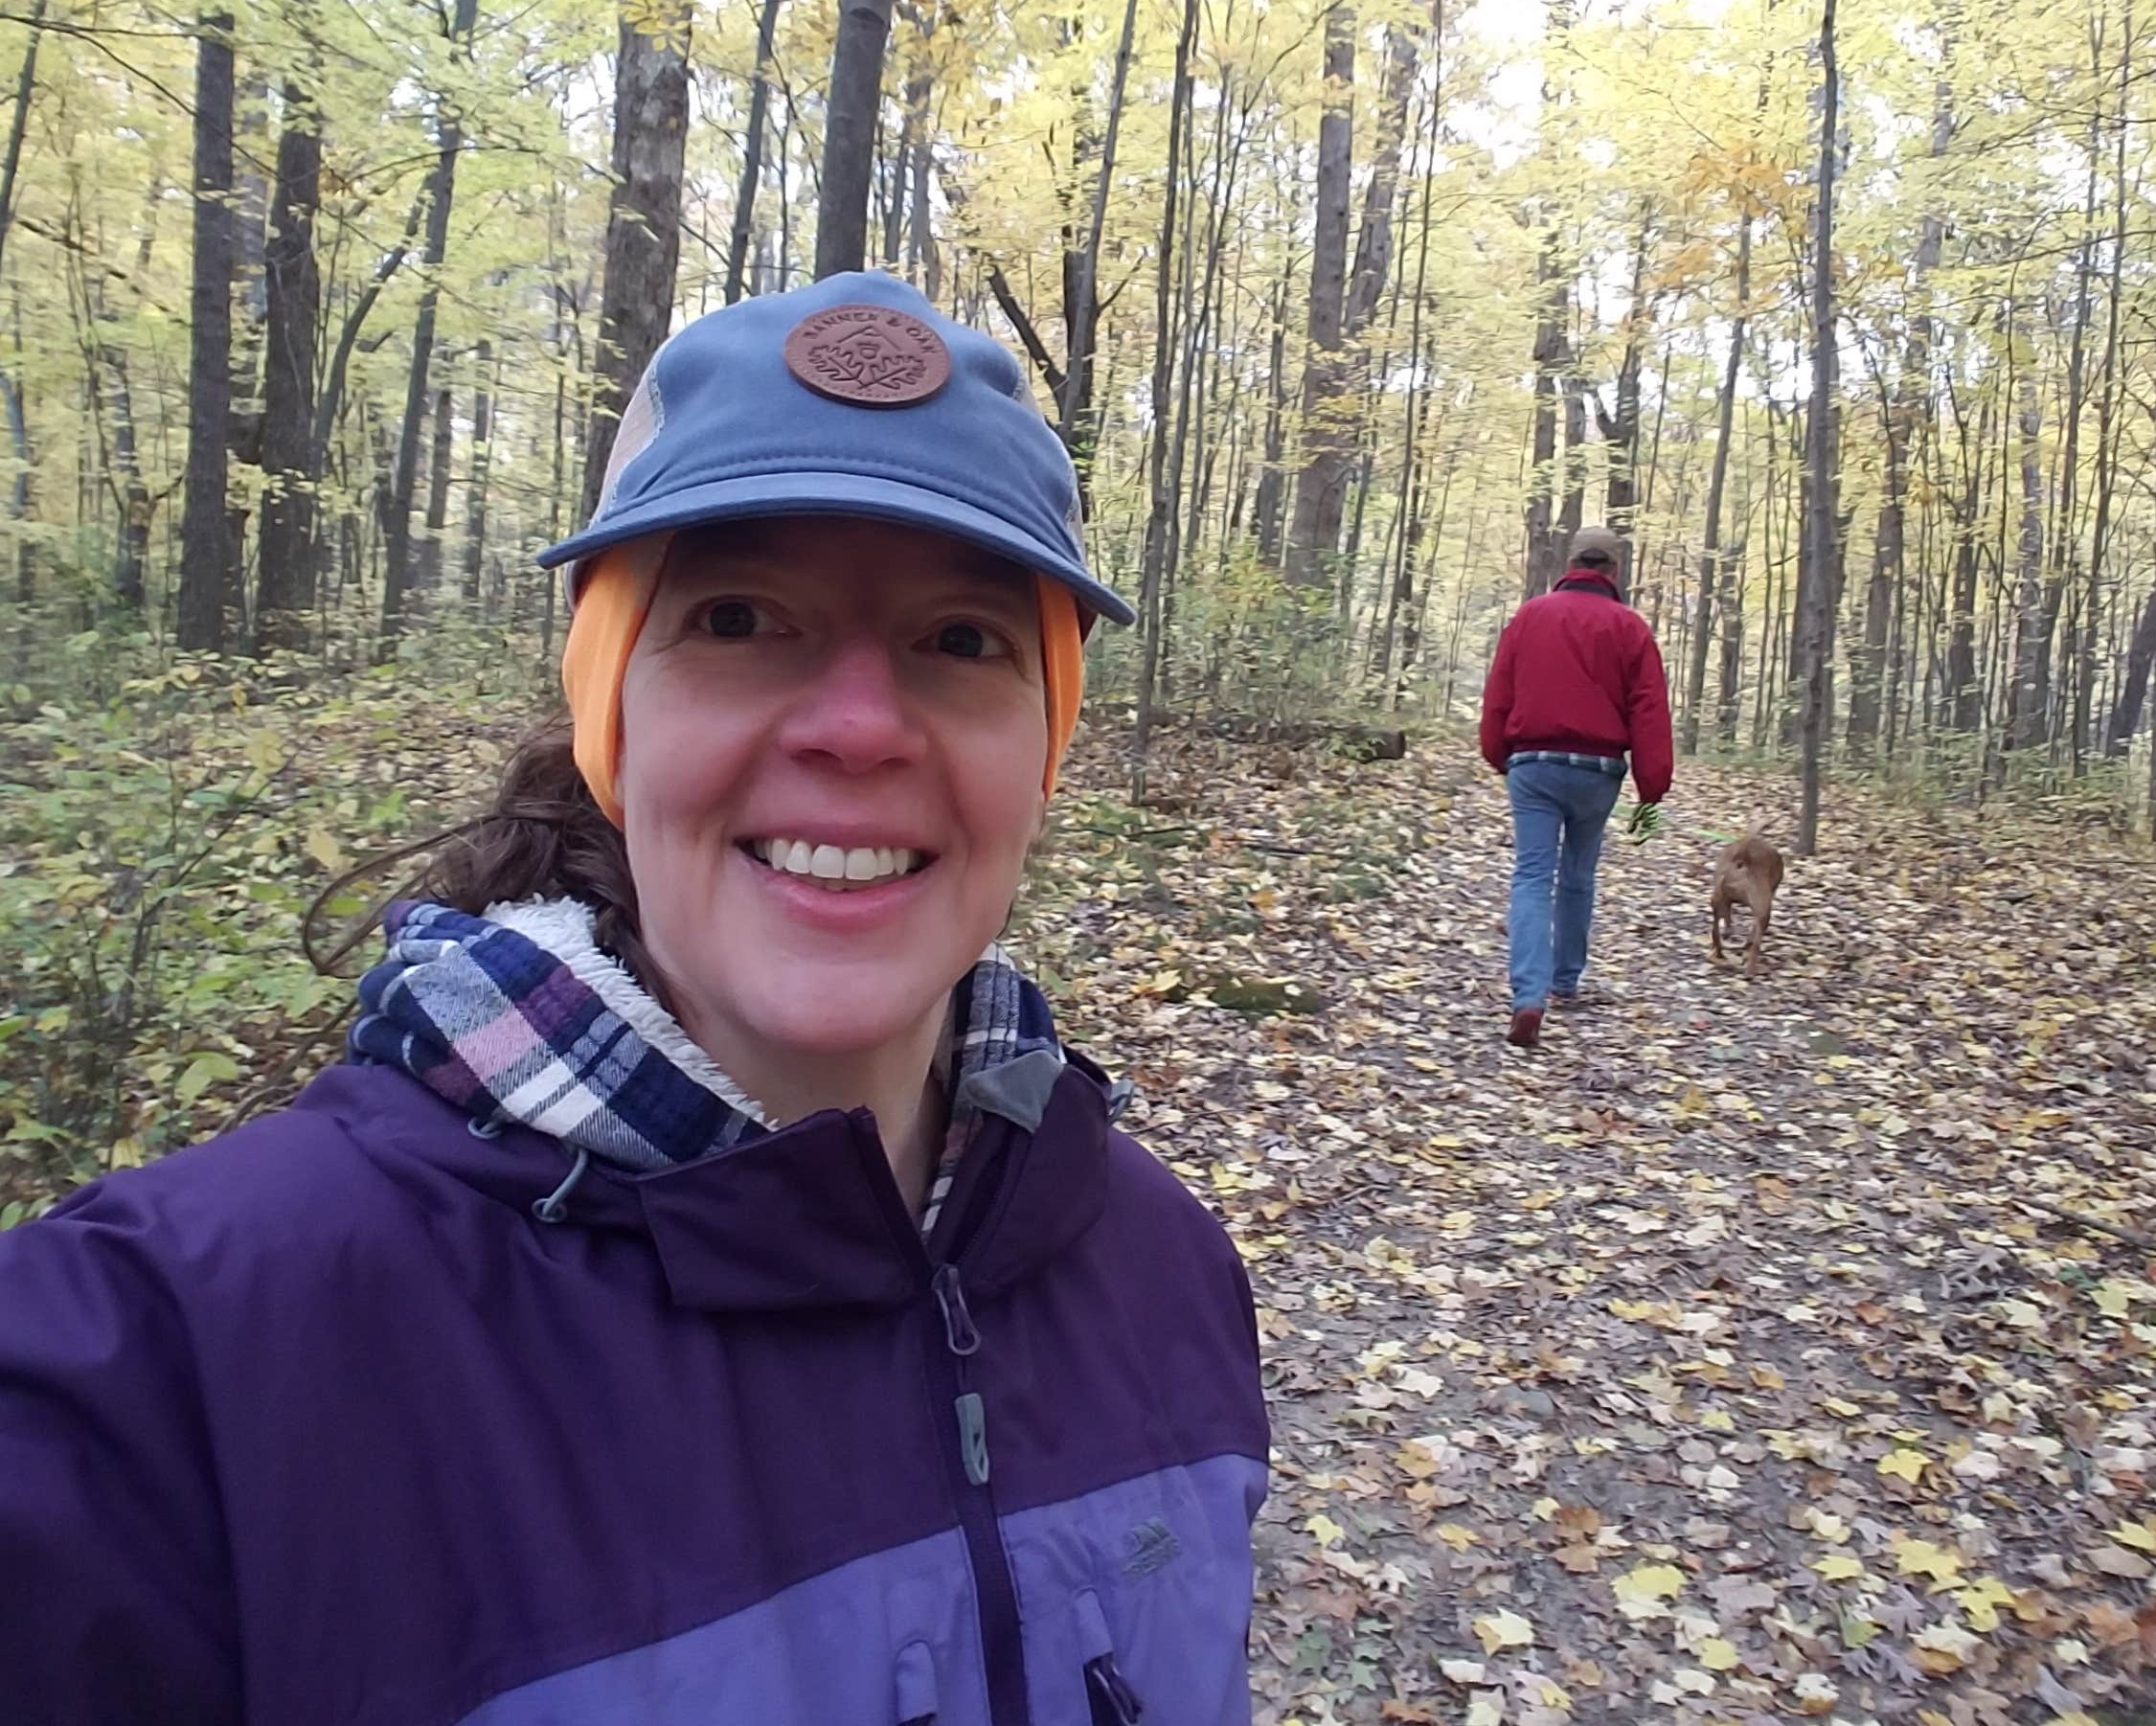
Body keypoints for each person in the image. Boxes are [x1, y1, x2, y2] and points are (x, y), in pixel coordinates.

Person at [0, 272, 1269, 1724]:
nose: (858, 727)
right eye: (739, 618)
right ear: (614, 712)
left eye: (963, 640)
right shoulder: (168, 1376)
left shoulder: (1162, 1272)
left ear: (1045, 745)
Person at [1479, 527, 1674, 1047]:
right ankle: (1565, 982)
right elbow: (1649, 710)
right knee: (1579, 875)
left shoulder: (1530, 616)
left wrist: (1498, 753)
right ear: (1614, 571)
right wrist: (1651, 789)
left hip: (1534, 766)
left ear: (1571, 564)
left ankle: (1529, 995)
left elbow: (1500, 689)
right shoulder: (1630, 628)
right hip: (1597, 771)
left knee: (1531, 875)